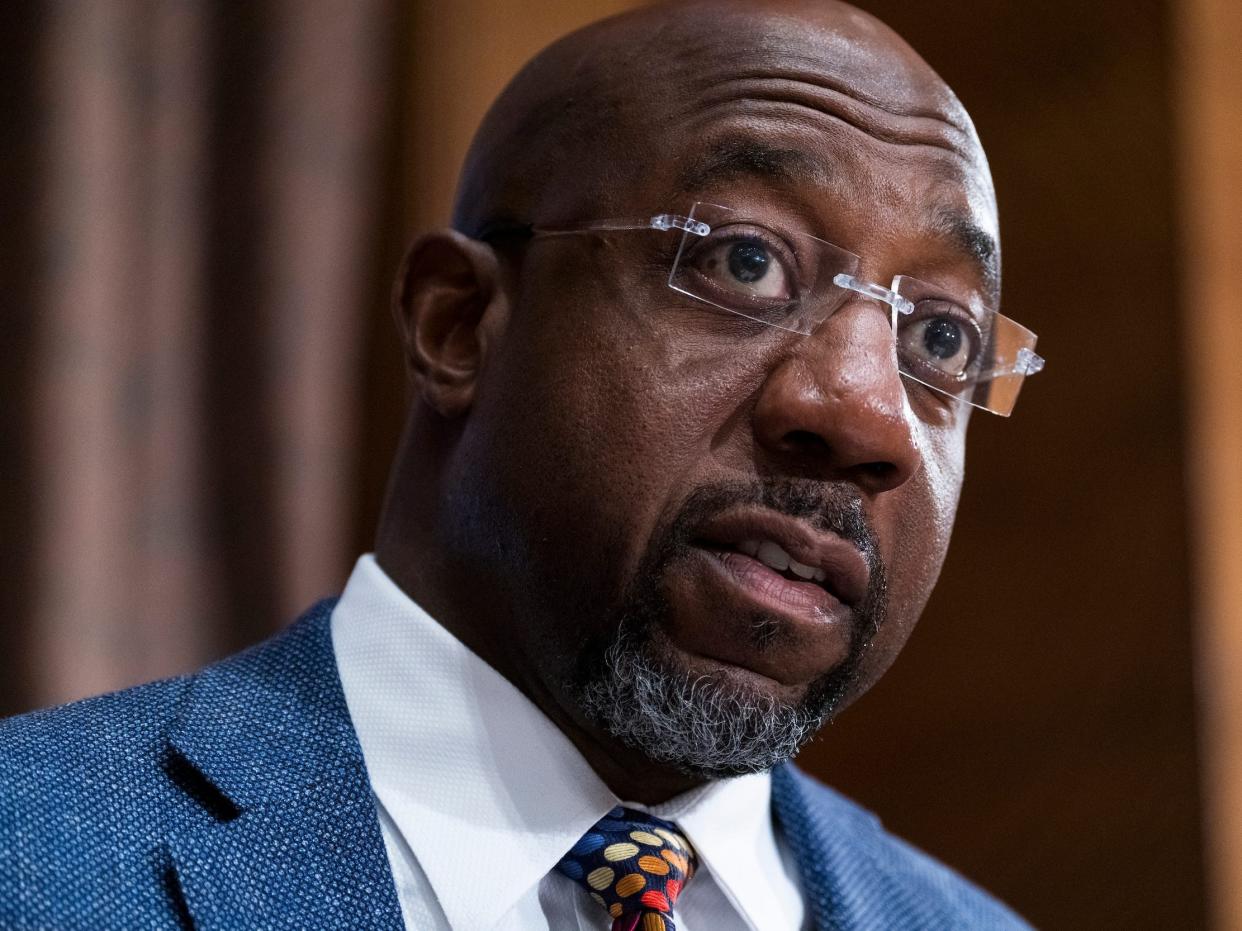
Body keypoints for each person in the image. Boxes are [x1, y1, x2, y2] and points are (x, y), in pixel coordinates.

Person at [0, 0, 1045, 928]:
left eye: (941, 340)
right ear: (458, 325)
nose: (869, 415)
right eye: (746, 260)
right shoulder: (31, 857)